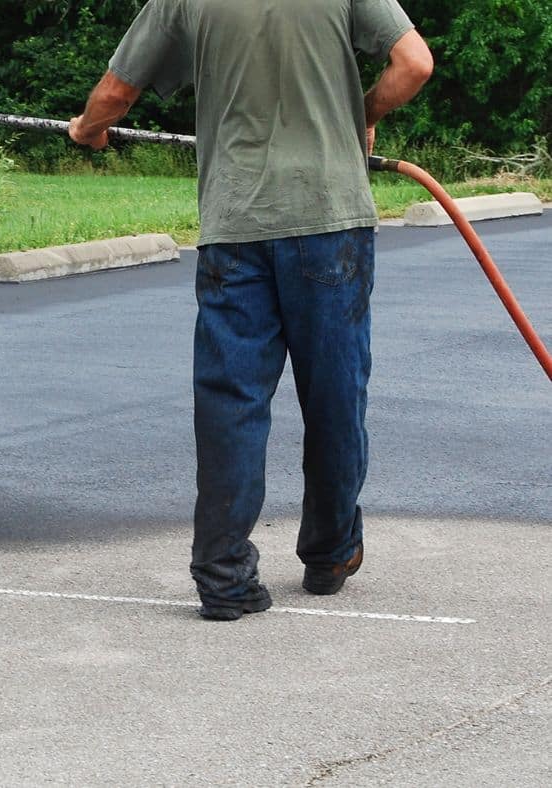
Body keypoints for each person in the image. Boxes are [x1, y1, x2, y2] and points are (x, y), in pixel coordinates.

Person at [69, 1, 433, 620]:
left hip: (235, 227)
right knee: (335, 395)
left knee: (230, 400)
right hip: (329, 221)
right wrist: (361, 115)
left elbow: (114, 92)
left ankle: (223, 575)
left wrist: (86, 130)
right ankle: (329, 553)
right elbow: (414, 64)